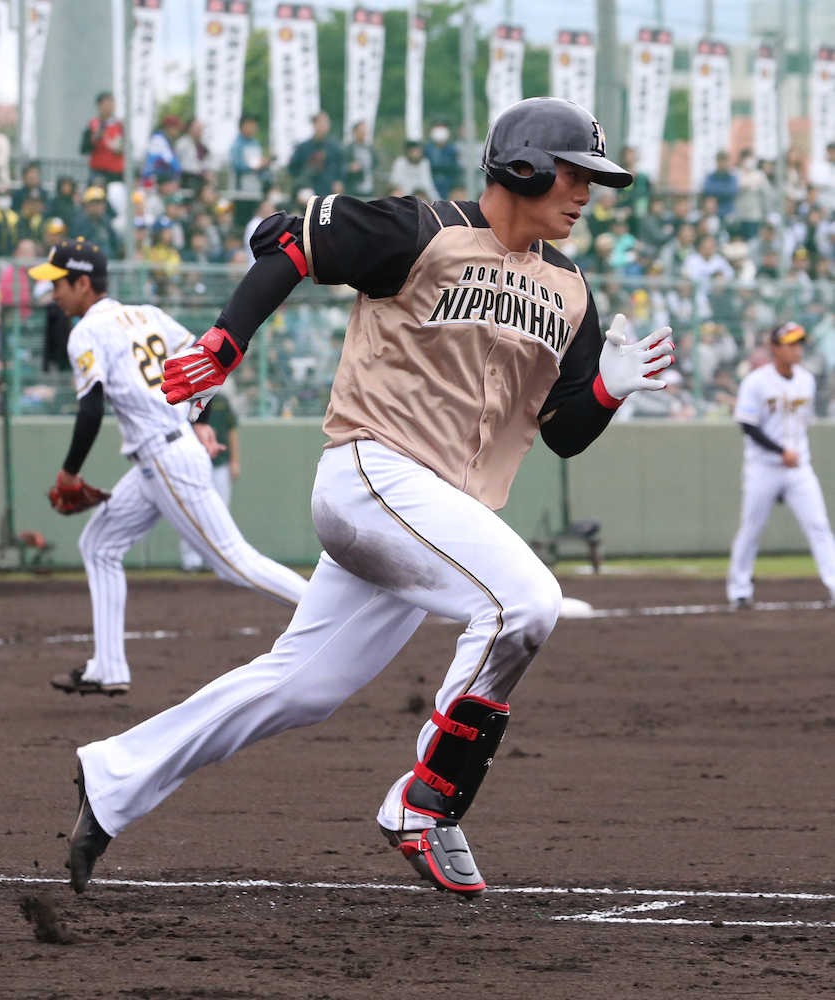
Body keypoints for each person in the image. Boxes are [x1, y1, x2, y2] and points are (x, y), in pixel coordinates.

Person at [64, 97, 674, 897]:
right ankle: (426, 801)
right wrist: (224, 340)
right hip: (374, 473)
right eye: (574, 171)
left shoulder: (569, 292)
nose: (588, 190)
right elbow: (290, 242)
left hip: (433, 513)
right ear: (521, 163)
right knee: (525, 602)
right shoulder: (420, 230)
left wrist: (605, 390)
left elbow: (563, 432)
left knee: (300, 685)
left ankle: (112, 780)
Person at [28, 239, 306, 698]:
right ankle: (108, 668)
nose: (52, 293)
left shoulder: (86, 331)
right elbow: (203, 362)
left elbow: (91, 409)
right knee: (99, 544)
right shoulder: (146, 314)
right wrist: (201, 419)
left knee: (234, 561)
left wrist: (70, 474)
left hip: (166, 457)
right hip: (160, 455)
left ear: (82, 283)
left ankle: (329, 612)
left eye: (58, 283)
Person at [727, 322, 835, 608]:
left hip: (799, 467)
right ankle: (740, 589)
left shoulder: (806, 380)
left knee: (819, 525)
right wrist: (779, 450)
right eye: (790, 343)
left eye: (799, 343)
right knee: (751, 529)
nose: (797, 349)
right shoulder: (756, 381)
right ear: (775, 348)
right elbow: (747, 425)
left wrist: (792, 453)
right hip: (763, 467)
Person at [180, 392, 240, 571]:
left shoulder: (222, 400)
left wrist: (235, 461)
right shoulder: (186, 400)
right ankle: (191, 560)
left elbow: (232, 431)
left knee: (220, 513)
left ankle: (218, 559)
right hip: (193, 463)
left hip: (219, 463)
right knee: (191, 512)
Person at [287, 110, 344, 197]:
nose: (324, 126)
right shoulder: (303, 147)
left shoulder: (334, 147)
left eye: (326, 123)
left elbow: (340, 166)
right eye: (321, 123)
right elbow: (292, 168)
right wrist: (301, 184)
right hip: (308, 191)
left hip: (329, 190)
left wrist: (338, 181)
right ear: (314, 124)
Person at [81, 92, 124, 186]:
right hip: (98, 172)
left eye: (112, 104)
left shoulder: (120, 125)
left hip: (117, 173)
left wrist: (120, 148)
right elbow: (84, 149)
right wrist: (95, 138)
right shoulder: (92, 125)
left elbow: (128, 147)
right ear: (99, 106)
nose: (110, 107)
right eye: (107, 104)